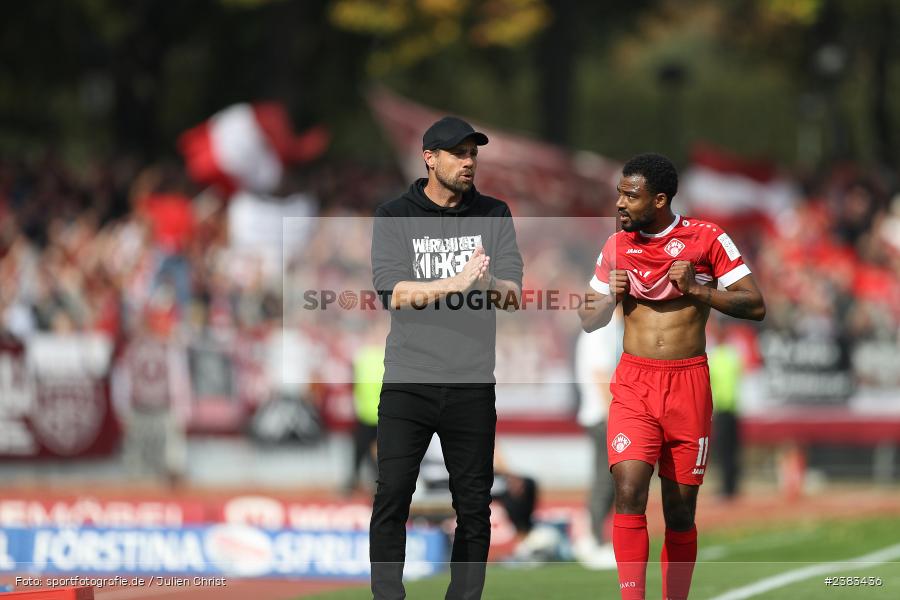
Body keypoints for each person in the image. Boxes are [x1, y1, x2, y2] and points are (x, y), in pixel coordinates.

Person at [578, 153, 765, 600]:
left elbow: (755, 304)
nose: (620, 203)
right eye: (619, 194)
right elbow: (586, 318)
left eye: (630, 196)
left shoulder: (707, 238)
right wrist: (608, 299)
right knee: (628, 491)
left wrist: (699, 289)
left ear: (659, 200)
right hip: (634, 384)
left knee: (680, 511)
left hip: (687, 384)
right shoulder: (616, 246)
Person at [369, 116, 523, 600]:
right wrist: (454, 283)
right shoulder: (394, 214)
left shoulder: (494, 213)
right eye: (458, 153)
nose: (468, 161)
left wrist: (488, 283)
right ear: (430, 158)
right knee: (392, 496)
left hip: (471, 382)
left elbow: (514, 296)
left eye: (473, 153)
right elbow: (392, 293)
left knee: (474, 507)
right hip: (408, 381)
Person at [572, 307, 622, 570]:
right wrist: (615, 416)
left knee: (611, 479)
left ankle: (595, 537)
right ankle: (593, 540)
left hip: (605, 413)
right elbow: (600, 375)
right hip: (603, 415)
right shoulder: (602, 330)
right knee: (605, 479)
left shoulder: (609, 329)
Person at [707, 317, 744, 500]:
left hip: (728, 408)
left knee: (728, 450)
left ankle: (729, 487)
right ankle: (728, 486)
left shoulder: (724, 354)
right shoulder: (728, 353)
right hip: (724, 408)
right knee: (726, 451)